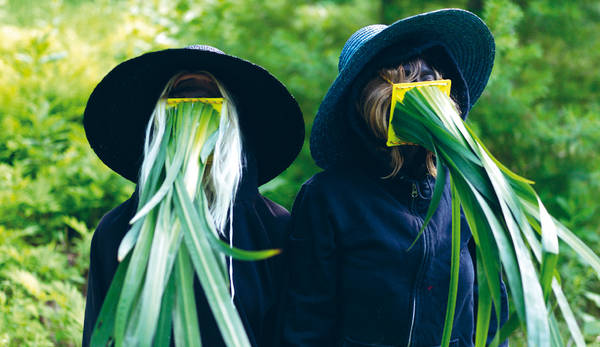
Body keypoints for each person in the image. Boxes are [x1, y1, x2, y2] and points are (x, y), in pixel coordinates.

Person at [282, 9, 508, 347]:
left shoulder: (466, 192)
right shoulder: (329, 198)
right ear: (365, 101)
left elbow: (489, 317)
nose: (419, 84)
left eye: (427, 75)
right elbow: (305, 325)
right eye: (402, 76)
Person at [82, 45, 304, 346]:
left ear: (231, 122)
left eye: (210, 99)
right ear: (159, 120)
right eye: (181, 97)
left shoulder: (273, 229)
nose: (194, 112)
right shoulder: (118, 232)